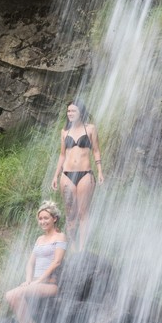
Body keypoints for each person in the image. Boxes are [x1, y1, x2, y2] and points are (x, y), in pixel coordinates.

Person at [5, 201, 67, 323]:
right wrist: (28, 280)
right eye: (40, 219)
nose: (43, 221)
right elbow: (30, 262)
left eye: (46, 218)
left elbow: (57, 262)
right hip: (36, 282)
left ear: (54, 218)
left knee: (16, 293)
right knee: (9, 295)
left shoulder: (60, 237)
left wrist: (39, 280)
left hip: (51, 284)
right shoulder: (39, 239)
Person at [52, 100, 104, 251]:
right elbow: (62, 155)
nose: (70, 113)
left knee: (83, 212)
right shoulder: (64, 132)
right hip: (67, 175)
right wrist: (55, 176)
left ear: (81, 112)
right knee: (70, 214)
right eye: (68, 111)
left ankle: (83, 249)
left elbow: (96, 150)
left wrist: (100, 171)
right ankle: (73, 249)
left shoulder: (90, 129)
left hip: (85, 174)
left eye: (73, 111)